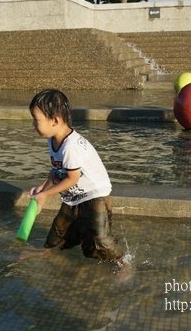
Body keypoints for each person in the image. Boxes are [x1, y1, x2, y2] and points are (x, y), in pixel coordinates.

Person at [28, 89, 126, 267]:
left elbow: (72, 178)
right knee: (60, 227)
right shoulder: (53, 139)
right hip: (75, 195)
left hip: (95, 194)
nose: (33, 124)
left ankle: (121, 262)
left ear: (55, 121)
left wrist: (46, 195)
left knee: (100, 236)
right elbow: (56, 171)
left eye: (36, 120)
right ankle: (46, 251)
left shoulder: (71, 146)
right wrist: (43, 188)